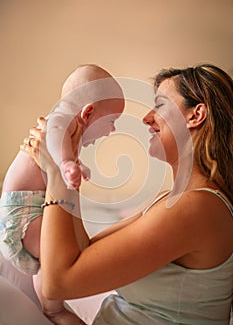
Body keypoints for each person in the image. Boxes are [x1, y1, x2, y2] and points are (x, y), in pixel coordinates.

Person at [22, 63, 233, 325]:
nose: (146, 117)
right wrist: (69, 160)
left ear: (195, 115)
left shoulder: (198, 208)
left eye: (160, 105)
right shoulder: (172, 200)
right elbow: (81, 252)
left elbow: (58, 283)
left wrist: (55, 171)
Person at [0, 64, 124, 325]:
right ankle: (53, 306)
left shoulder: (69, 136)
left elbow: (55, 157)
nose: (111, 131)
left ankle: (51, 308)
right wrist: (68, 164)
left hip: (28, 213)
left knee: (51, 264)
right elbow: (53, 140)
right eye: (111, 122)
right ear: (88, 112)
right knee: (68, 254)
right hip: (23, 213)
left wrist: (73, 164)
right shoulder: (59, 121)